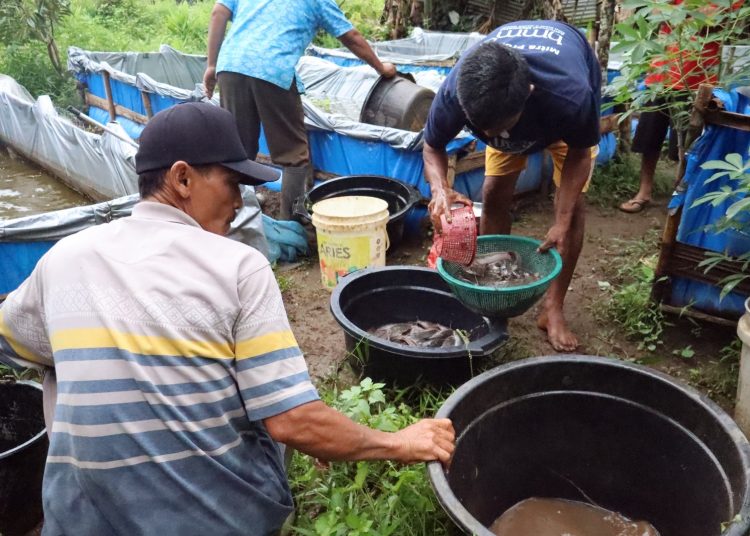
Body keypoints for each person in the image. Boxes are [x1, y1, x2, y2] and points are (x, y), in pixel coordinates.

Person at [0, 103, 455, 535]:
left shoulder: (64, 258)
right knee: (266, 401)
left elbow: (15, 341)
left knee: (57, 372)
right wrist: (401, 442)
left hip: (81, 524)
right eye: (232, 183)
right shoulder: (239, 266)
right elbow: (293, 422)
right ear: (182, 179)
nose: (240, 202)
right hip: (215, 523)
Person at [423, 20, 601, 352]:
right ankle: (494, 292)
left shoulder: (571, 95)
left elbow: (580, 153)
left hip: (561, 128)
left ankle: (553, 309)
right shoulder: (458, 91)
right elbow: (432, 146)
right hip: (509, 106)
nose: (495, 138)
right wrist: (438, 189)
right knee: (492, 195)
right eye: (483, 129)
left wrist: (560, 221)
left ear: (528, 94)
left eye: (502, 127)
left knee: (573, 212)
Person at [203, 0, 397, 221]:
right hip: (273, 69)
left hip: (231, 67)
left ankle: (232, 216)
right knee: (294, 155)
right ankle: (290, 223)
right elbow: (350, 37)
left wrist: (211, 65)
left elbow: (218, 12)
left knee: (240, 149)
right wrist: (381, 68)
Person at [619, 0, 743, 214]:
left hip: (700, 80)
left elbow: (715, 20)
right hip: (660, 74)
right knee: (649, 138)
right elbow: (657, 12)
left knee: (690, 145)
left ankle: (682, 197)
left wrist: (679, 14)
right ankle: (644, 192)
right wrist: (691, 15)